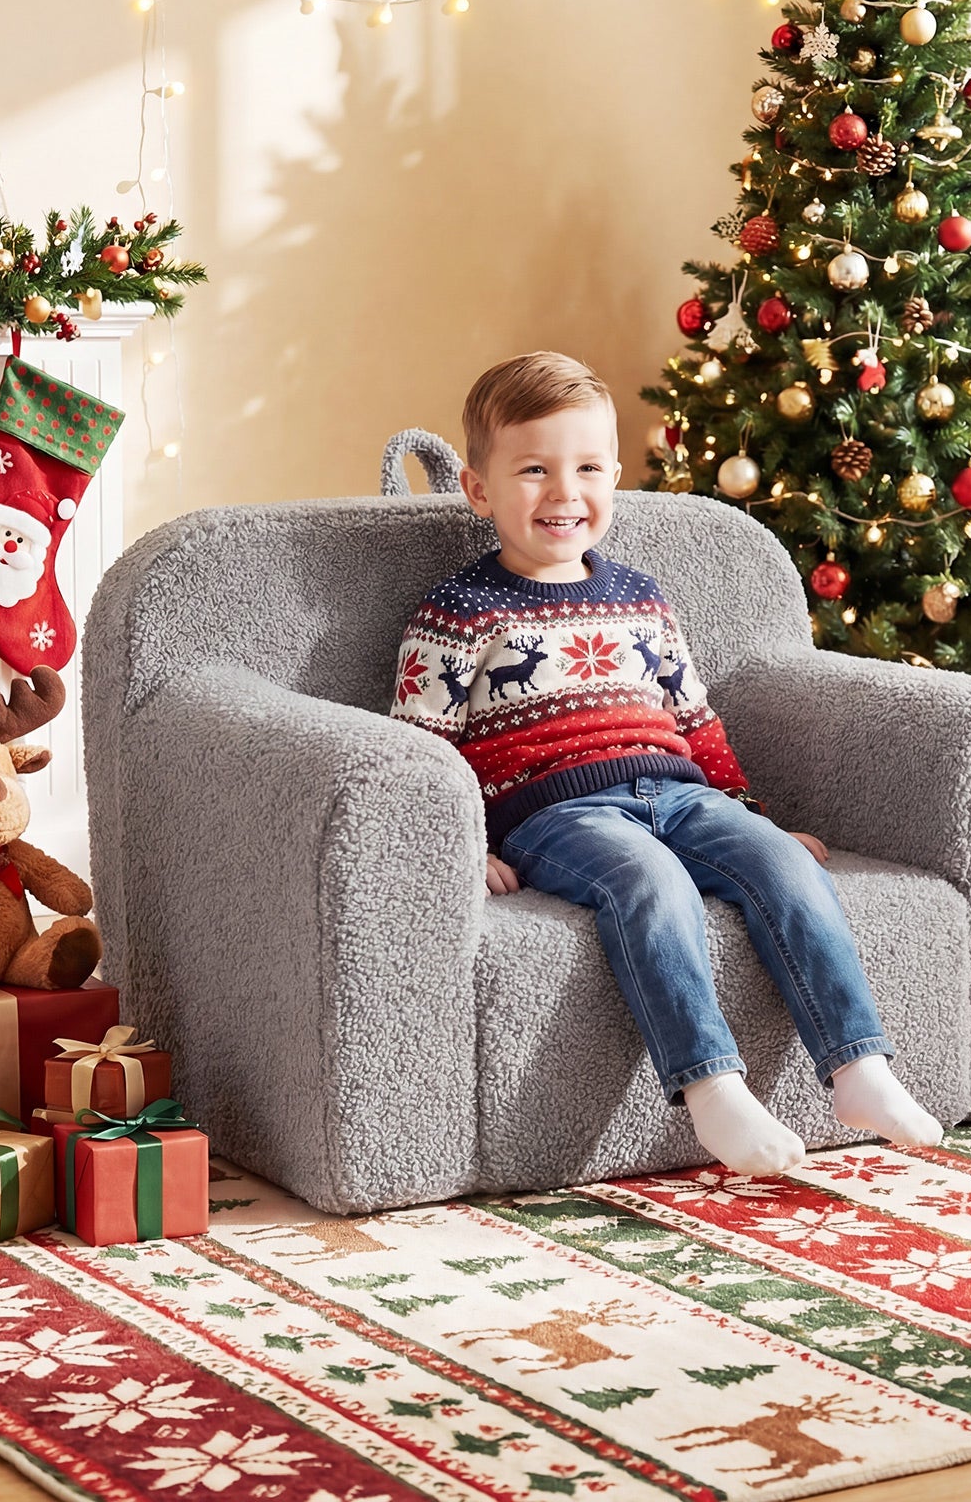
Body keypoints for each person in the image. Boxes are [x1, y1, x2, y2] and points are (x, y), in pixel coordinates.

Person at [389, 351, 942, 1174]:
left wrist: (751, 816)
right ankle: (710, 1089)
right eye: (534, 470)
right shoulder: (460, 612)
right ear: (478, 489)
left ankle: (860, 1065)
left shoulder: (642, 597)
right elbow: (418, 745)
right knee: (651, 882)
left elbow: (694, 716)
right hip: (557, 814)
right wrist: (466, 848)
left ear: (614, 476)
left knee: (785, 868)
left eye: (585, 468)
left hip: (680, 793)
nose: (563, 493)